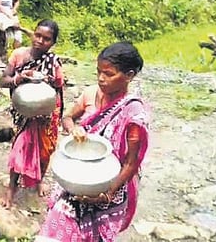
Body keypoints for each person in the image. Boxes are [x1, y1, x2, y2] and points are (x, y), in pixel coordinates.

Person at [36, 42, 150, 242]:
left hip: (109, 186)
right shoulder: (90, 94)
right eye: (98, 72)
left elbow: (131, 163)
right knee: (57, 224)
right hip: (77, 178)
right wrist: (74, 130)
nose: (101, 78)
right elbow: (67, 118)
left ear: (129, 75)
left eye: (109, 74)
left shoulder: (133, 114)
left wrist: (106, 194)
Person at [0, 19, 63, 209]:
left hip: (46, 112)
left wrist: (45, 82)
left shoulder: (53, 61)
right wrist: (19, 77)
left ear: (53, 42)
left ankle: (39, 179)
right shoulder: (18, 55)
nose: (40, 41)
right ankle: (11, 187)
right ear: (33, 34)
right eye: (38, 35)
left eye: (47, 39)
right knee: (19, 147)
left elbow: (59, 87)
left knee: (45, 151)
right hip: (24, 110)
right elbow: (3, 81)